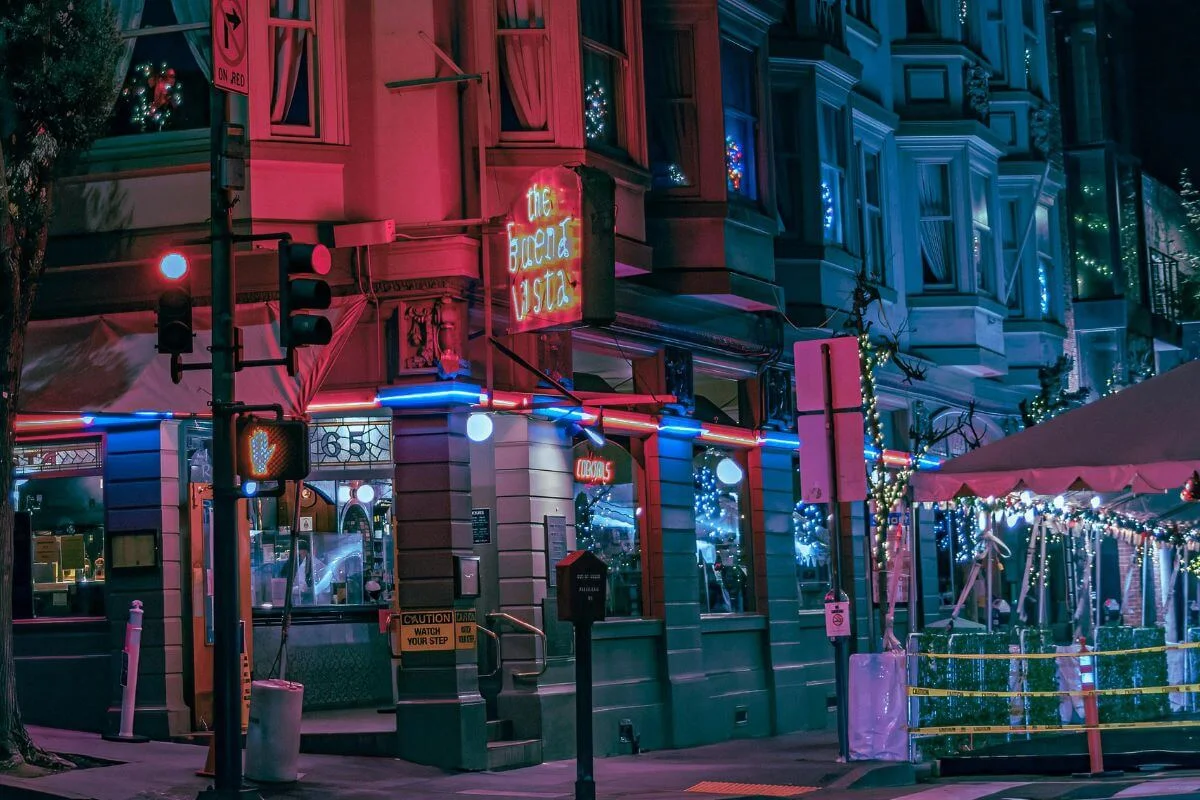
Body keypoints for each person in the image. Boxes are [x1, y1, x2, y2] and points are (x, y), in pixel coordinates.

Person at [283, 539, 325, 605]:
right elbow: (283, 579)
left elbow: (320, 586)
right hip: (295, 602)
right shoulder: (291, 563)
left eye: (302, 554)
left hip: (312, 602)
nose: (300, 556)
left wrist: (307, 588)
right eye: (298, 554)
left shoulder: (316, 564)